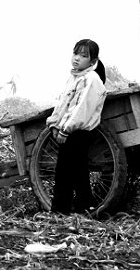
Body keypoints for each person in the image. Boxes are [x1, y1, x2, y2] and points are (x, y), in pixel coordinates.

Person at [46, 39, 108, 214]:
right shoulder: (74, 78)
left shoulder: (91, 80)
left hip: (79, 132)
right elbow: (62, 104)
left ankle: (60, 211)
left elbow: (81, 110)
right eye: (75, 53)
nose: (77, 59)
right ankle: (85, 206)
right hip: (71, 131)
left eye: (83, 56)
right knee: (78, 170)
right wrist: (53, 124)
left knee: (64, 172)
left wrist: (65, 130)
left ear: (93, 61)